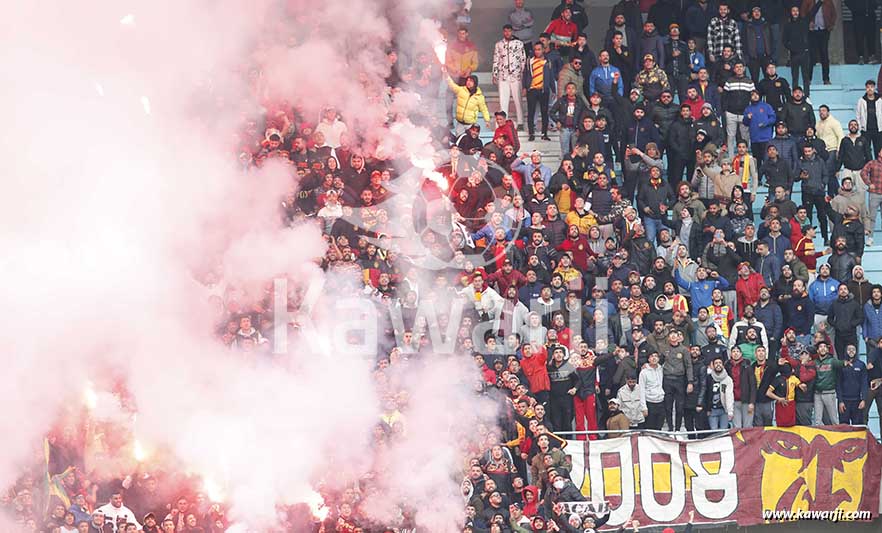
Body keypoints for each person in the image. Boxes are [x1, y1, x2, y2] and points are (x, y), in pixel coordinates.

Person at [493, 25, 527, 129]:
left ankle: (520, 122)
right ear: (503, 32)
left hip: (516, 76)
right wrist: (495, 74)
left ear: (512, 31)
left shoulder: (519, 44)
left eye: (509, 31)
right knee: (503, 100)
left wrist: (523, 75)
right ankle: (503, 122)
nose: (507, 33)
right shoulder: (499, 44)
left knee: (518, 99)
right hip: (503, 76)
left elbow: (523, 59)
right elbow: (496, 59)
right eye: (505, 31)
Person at [721, 62, 755, 159]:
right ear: (734, 69)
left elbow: (753, 97)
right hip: (731, 113)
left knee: (745, 137)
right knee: (730, 137)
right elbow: (724, 97)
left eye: (741, 67)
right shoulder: (729, 81)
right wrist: (725, 110)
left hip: (744, 114)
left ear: (744, 68)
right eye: (737, 67)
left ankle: (745, 159)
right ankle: (731, 159)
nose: (739, 69)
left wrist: (750, 112)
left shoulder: (749, 82)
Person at [523, 42, 554, 141]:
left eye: (539, 49)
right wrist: (525, 87)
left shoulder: (547, 62)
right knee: (531, 112)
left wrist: (553, 90)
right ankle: (531, 133)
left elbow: (551, 77)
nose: (537, 51)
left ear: (543, 50)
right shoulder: (530, 61)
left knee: (545, 112)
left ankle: (544, 133)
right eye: (535, 49)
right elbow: (525, 75)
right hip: (532, 90)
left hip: (543, 90)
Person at [803, 0, 836, 86]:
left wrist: (830, 25)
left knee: (824, 55)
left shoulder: (828, 1)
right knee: (811, 56)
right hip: (812, 32)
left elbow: (834, 14)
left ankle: (826, 79)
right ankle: (808, 79)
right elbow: (803, 13)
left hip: (824, 31)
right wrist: (807, 24)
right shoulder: (807, 1)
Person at [783, 5, 812, 97]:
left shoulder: (804, 22)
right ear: (791, 12)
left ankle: (806, 96)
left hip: (804, 53)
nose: (795, 12)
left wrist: (820, 2)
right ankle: (795, 95)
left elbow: (812, 12)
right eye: (793, 11)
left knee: (805, 77)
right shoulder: (787, 25)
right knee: (795, 77)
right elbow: (784, 41)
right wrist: (792, 48)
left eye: (797, 10)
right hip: (794, 55)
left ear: (799, 12)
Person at [639, 351, 666, 430]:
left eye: (656, 356)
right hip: (650, 402)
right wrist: (644, 407)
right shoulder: (644, 372)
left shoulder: (661, 369)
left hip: (661, 402)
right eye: (651, 356)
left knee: (659, 427)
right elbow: (641, 390)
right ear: (648, 359)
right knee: (650, 428)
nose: (654, 358)